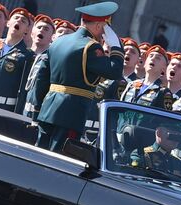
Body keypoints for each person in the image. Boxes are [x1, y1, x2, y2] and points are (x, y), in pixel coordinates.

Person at [34, 1, 124, 152]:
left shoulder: (59, 42)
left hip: (47, 110)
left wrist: (38, 109)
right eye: (105, 28)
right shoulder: (91, 46)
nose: (104, 33)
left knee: (38, 155)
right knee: (59, 162)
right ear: (98, 26)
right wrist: (116, 47)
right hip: (71, 115)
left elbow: (41, 78)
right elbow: (114, 72)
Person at [0, 7, 34, 113]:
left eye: (23, 21)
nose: (19, 21)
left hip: (4, 108)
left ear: (27, 30)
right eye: (16, 18)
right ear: (8, 23)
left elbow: (23, 91)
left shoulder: (27, 55)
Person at [23, 14, 54, 122]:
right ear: (32, 32)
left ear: (52, 38)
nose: (42, 30)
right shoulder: (22, 54)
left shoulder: (51, 61)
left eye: (46, 29)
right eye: (39, 27)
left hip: (35, 115)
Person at [120, 44, 172, 109]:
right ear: (145, 63)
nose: (153, 59)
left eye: (158, 58)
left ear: (164, 69)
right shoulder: (132, 84)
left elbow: (163, 117)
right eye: (150, 56)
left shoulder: (163, 92)